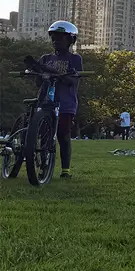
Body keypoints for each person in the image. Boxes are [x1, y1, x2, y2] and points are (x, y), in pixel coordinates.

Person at [37, 21, 83, 179]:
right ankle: (42, 165)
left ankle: (65, 169)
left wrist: (57, 74)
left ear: (71, 40)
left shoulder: (75, 59)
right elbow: (38, 81)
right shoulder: (45, 58)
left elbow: (74, 80)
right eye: (54, 38)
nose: (56, 41)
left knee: (63, 134)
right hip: (45, 102)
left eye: (61, 38)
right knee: (43, 135)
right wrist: (40, 74)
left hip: (65, 104)